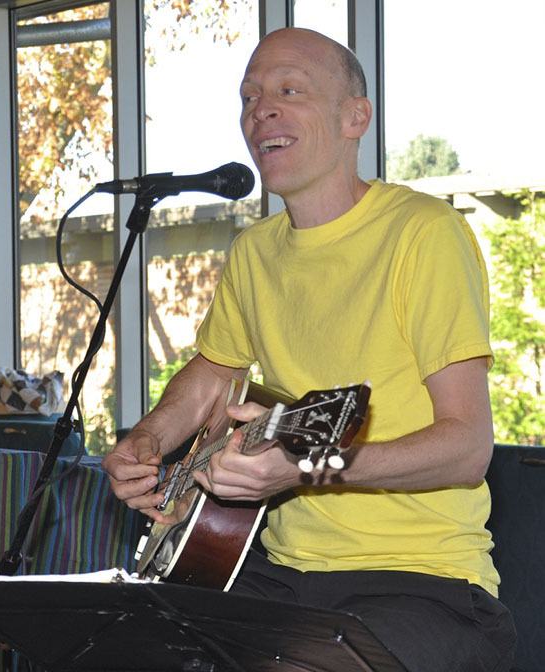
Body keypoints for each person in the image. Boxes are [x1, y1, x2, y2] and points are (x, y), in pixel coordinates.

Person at [103, 27, 516, 671]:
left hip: (421, 583)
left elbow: (467, 448)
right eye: (248, 97)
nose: (259, 109)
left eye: (288, 90)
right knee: (118, 647)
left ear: (356, 117)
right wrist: (151, 439)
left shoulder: (423, 234)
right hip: (277, 572)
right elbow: (213, 373)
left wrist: (306, 468)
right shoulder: (253, 253)